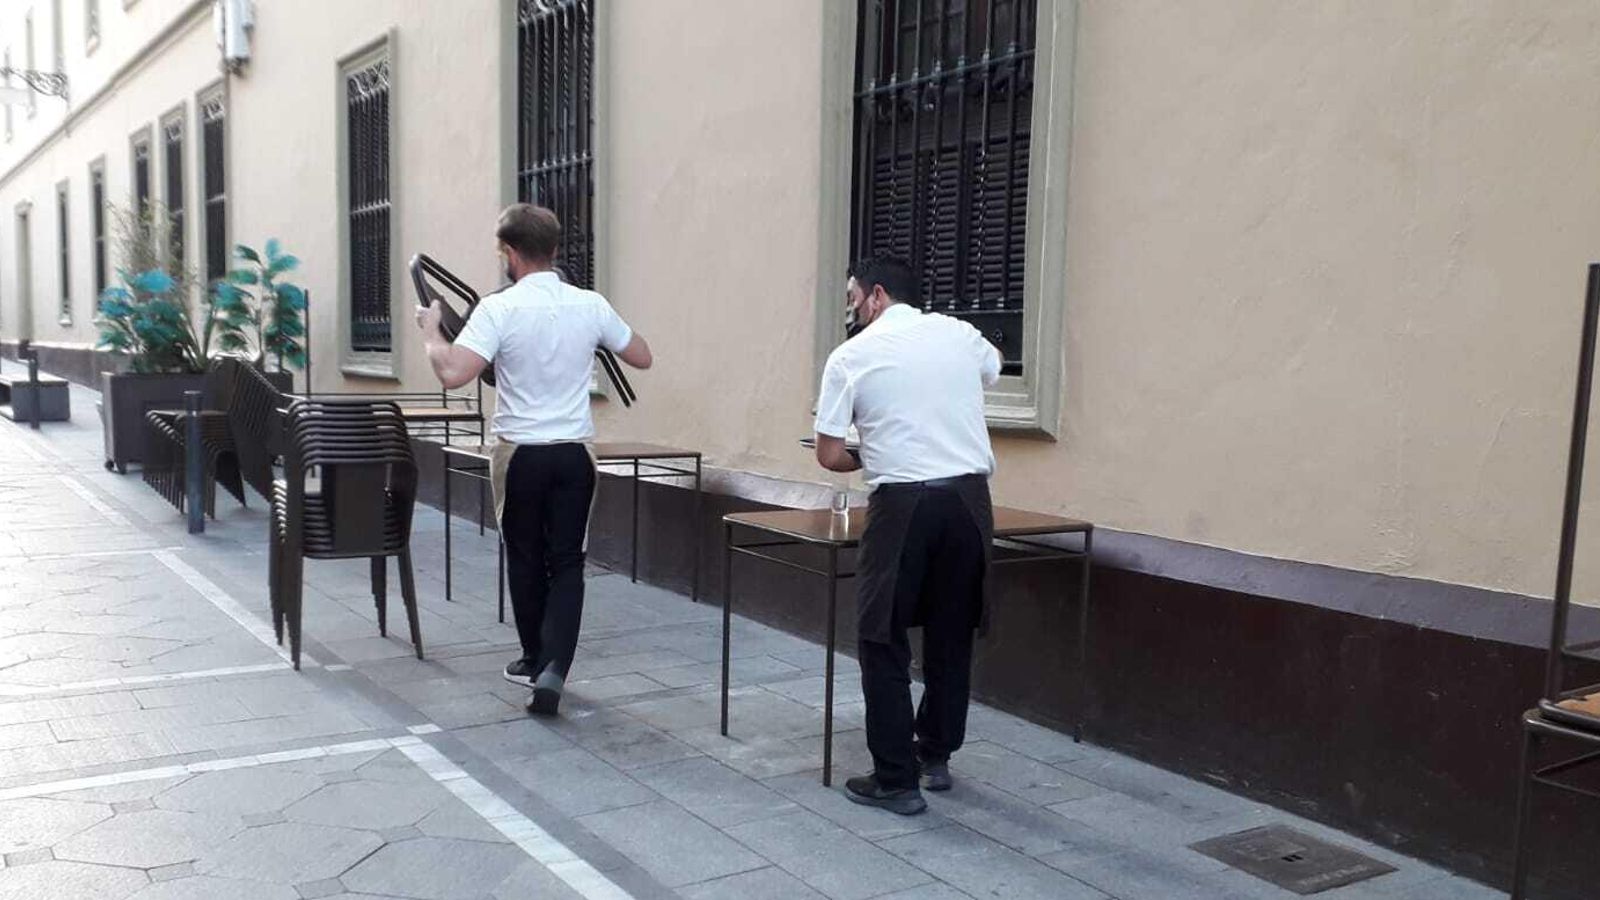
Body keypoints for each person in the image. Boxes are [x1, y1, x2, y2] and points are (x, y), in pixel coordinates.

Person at [416, 204, 652, 715]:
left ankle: (532, 658)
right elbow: (642, 356)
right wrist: (594, 338)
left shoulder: (498, 309)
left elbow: (453, 373)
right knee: (567, 561)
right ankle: (554, 669)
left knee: (524, 555)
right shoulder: (589, 304)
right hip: (573, 454)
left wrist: (432, 331)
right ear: (555, 249)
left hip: (520, 453)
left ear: (508, 252)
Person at [813, 256, 1000, 815]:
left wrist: (869, 452)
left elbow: (828, 453)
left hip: (902, 504)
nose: (850, 308)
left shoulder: (850, 356)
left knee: (882, 635)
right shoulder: (959, 333)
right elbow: (991, 369)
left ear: (876, 296)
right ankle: (935, 755)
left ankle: (895, 778)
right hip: (969, 502)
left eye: (852, 297)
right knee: (951, 631)